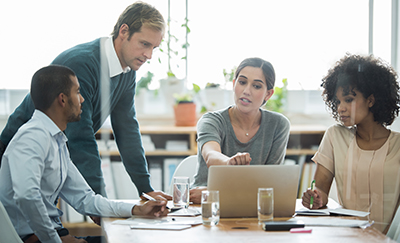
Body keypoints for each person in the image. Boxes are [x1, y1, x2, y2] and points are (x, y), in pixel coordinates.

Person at [0, 2, 171, 201]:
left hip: (52, 156)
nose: (149, 55)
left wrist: (145, 189)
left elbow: (127, 130)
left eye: (154, 48)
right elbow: (80, 137)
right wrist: (101, 203)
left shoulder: (127, 72)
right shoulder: (82, 64)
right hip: (20, 156)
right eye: (144, 44)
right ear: (124, 31)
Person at [0, 65, 168, 243]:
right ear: (62, 99)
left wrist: (136, 209)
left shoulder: (56, 140)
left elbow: (86, 199)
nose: (82, 99)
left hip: (52, 234)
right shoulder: (32, 138)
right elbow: (27, 196)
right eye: (77, 92)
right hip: (31, 238)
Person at [301, 54, 400, 233]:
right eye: (338, 101)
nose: (340, 108)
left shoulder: (398, 145)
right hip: (347, 236)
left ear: (371, 100)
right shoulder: (334, 136)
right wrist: (316, 198)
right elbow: (321, 189)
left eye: (348, 99)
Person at [190, 57, 291, 203]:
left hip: (250, 205)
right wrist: (229, 164)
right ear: (234, 84)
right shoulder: (211, 121)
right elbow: (211, 156)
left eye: (256, 86)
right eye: (242, 82)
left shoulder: (278, 125)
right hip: (205, 204)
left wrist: (218, 193)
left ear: (268, 94)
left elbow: (270, 184)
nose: (246, 91)